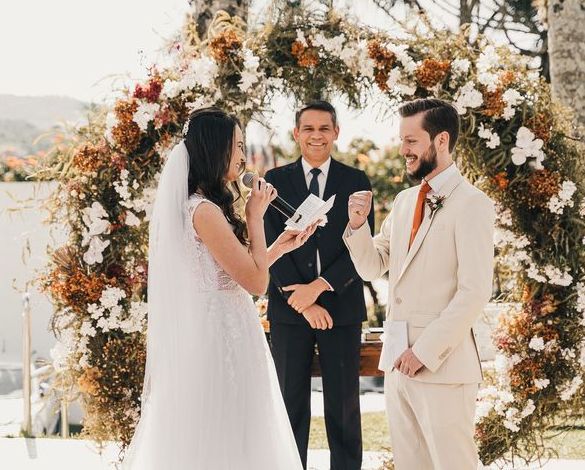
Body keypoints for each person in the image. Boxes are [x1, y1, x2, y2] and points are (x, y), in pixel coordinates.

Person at [124, 107, 317, 469]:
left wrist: (281, 247)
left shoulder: (205, 207)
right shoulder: (204, 211)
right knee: (228, 429)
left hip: (228, 328)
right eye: (238, 146)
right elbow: (256, 283)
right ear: (216, 149)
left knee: (241, 429)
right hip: (219, 336)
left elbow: (231, 273)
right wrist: (255, 217)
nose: (244, 156)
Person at [344, 98, 494, 469]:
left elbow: (474, 292)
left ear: (441, 140)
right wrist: (359, 225)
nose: (403, 150)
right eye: (401, 140)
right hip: (398, 363)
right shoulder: (404, 201)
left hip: (442, 366)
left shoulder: (473, 204)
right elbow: (371, 267)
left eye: (411, 141)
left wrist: (423, 352)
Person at [263, 101, 374, 470]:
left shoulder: (356, 181)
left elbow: (360, 245)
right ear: (296, 133)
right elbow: (267, 242)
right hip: (290, 311)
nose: (316, 136)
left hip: (341, 310)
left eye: (324, 128)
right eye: (308, 128)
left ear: (336, 133)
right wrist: (303, 299)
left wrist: (321, 287)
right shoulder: (275, 182)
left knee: (343, 408)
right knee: (290, 406)